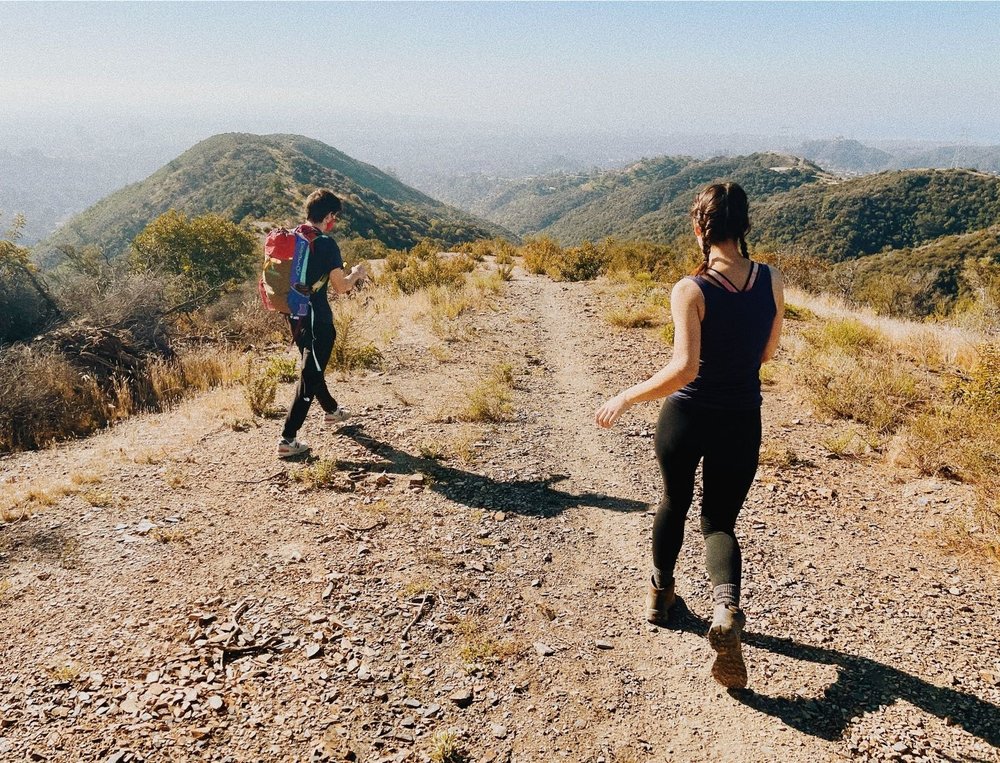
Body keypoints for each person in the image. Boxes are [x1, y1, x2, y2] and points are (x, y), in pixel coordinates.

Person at [595, 182, 784, 689]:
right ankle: (725, 612)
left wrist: (627, 396)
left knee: (673, 501)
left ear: (699, 229)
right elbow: (766, 354)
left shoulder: (691, 289)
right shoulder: (771, 279)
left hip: (687, 414)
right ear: (744, 227)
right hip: (742, 416)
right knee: (719, 520)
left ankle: (660, 594)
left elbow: (684, 368)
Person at [278, 188, 368, 458]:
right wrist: (355, 274)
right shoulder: (326, 243)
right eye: (335, 217)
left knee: (312, 366)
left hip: (295, 316)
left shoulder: (293, 237)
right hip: (318, 320)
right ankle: (288, 439)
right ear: (328, 215)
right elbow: (341, 287)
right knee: (310, 374)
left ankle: (331, 411)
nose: (335, 222)